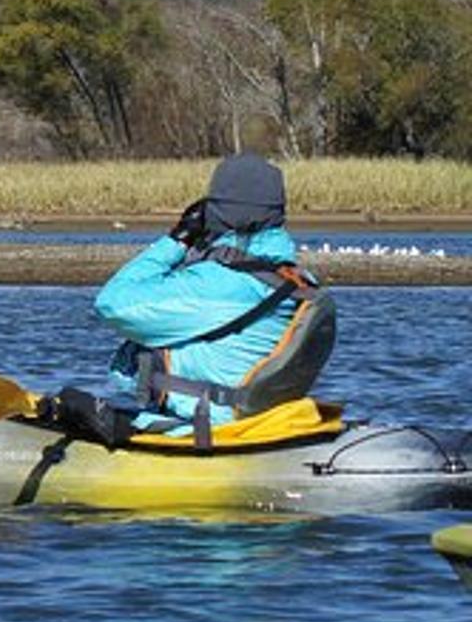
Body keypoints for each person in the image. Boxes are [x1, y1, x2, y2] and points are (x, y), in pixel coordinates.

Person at [45, 153, 337, 449]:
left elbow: (112, 303)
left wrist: (178, 239)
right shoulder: (295, 278)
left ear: (216, 213)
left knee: (68, 402)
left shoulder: (221, 284)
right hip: (251, 421)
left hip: (205, 428)